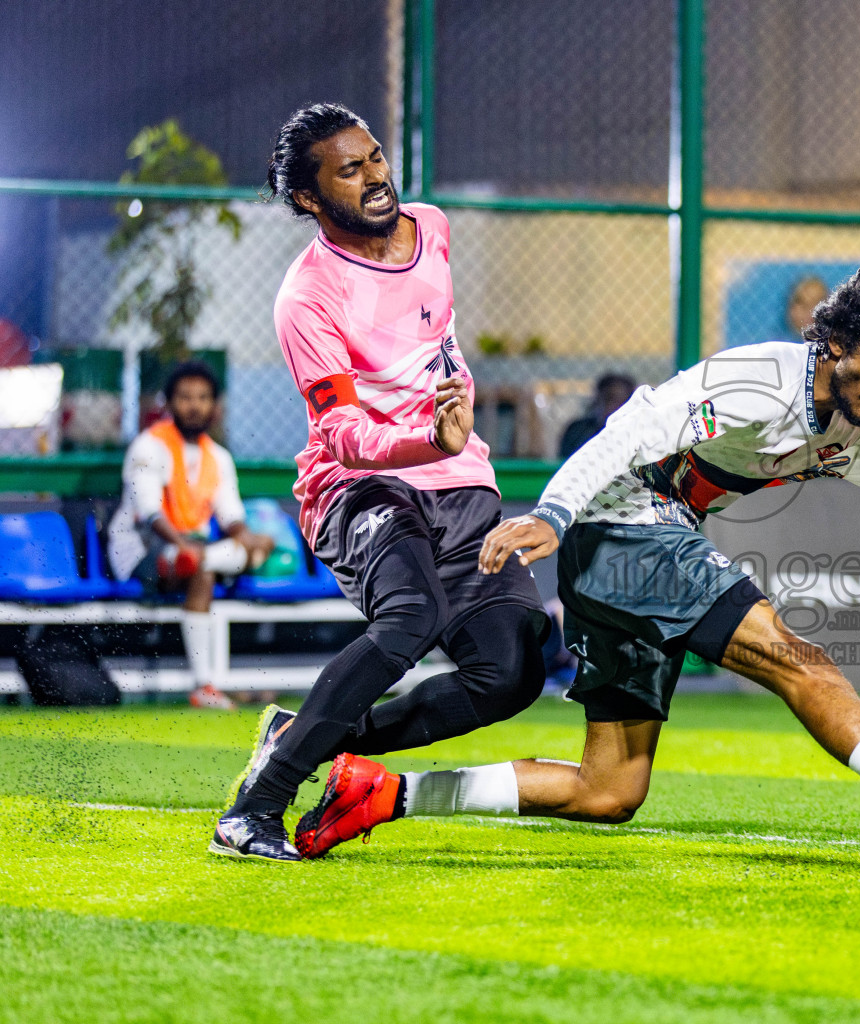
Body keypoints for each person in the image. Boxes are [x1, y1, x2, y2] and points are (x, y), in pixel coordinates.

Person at [293, 249, 860, 879]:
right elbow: (632, 430)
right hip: (619, 526)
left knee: (608, 790)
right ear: (837, 339)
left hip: (633, 545)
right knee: (795, 659)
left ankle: (380, 792)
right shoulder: (758, 382)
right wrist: (555, 512)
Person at [208, 103, 548, 862]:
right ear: (307, 197)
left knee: (514, 666)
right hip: (358, 488)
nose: (375, 178)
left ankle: (301, 737)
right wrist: (428, 437)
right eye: (349, 169)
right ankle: (252, 811)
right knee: (410, 618)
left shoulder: (433, 228)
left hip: (460, 482)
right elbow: (345, 436)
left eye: (376, 158)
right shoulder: (307, 297)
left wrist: (450, 445)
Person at [108, 361, 276, 711]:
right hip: (144, 550)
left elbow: (231, 516)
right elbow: (150, 513)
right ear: (169, 403)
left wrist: (247, 539)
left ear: (215, 406)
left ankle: (206, 560)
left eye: (203, 398)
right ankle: (205, 687)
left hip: (195, 550)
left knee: (255, 546)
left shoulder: (219, 457)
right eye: (185, 397)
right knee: (203, 571)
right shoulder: (148, 445)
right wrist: (185, 547)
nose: (194, 405)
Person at [558, 373, 637, 458]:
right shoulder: (577, 431)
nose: (616, 407)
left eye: (623, 402)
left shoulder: (640, 434)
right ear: (597, 400)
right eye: (610, 400)